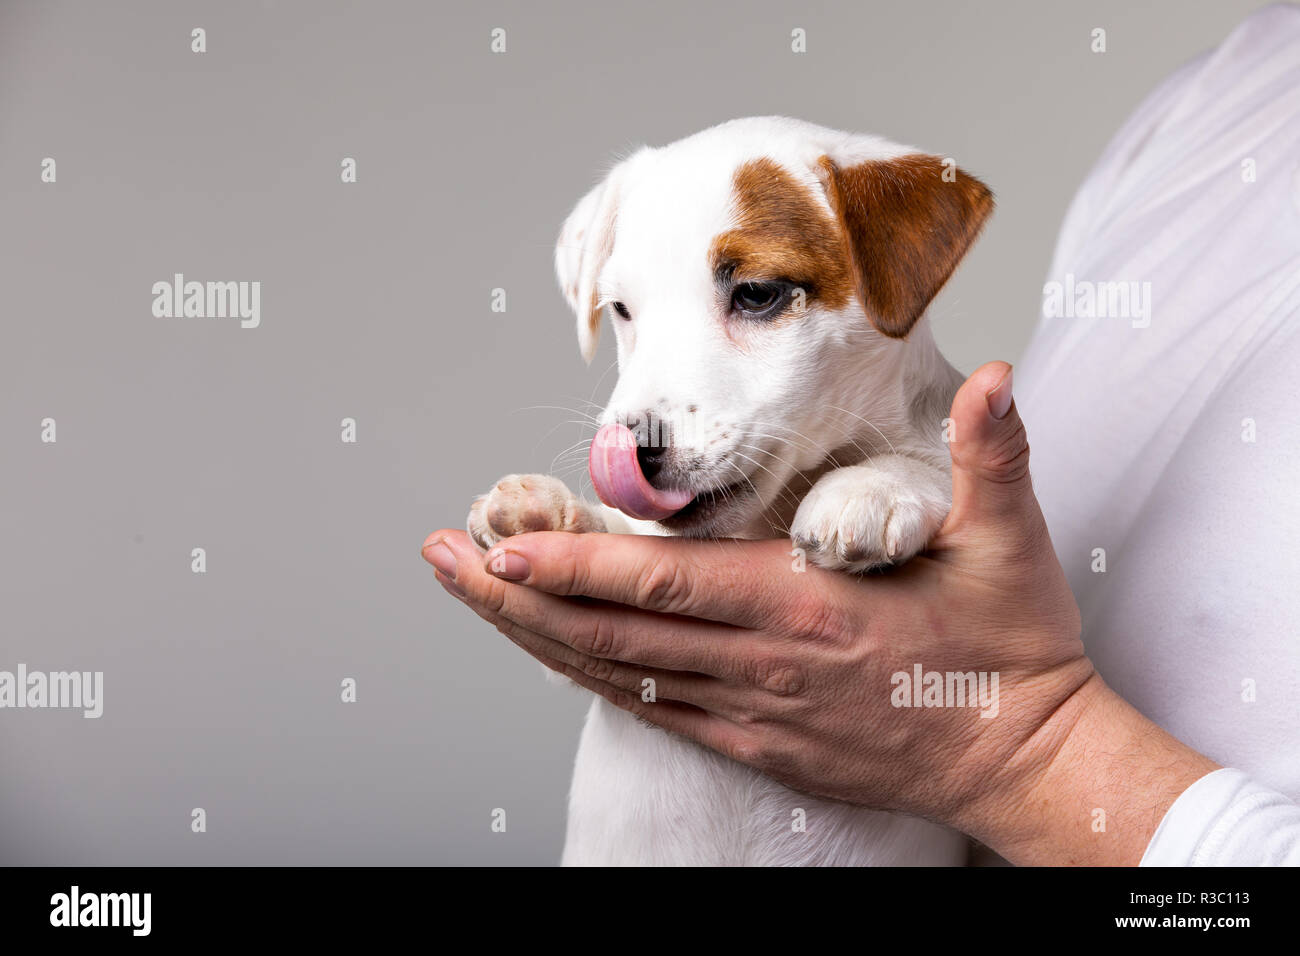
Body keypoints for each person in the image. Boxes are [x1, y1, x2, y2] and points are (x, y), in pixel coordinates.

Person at [423, 4, 1300, 865]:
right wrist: (584, 562)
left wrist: (1026, 750)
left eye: (757, 296)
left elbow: (934, 516)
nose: (644, 410)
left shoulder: (919, 473)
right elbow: (637, 646)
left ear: (894, 278)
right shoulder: (1211, 95)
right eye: (624, 311)